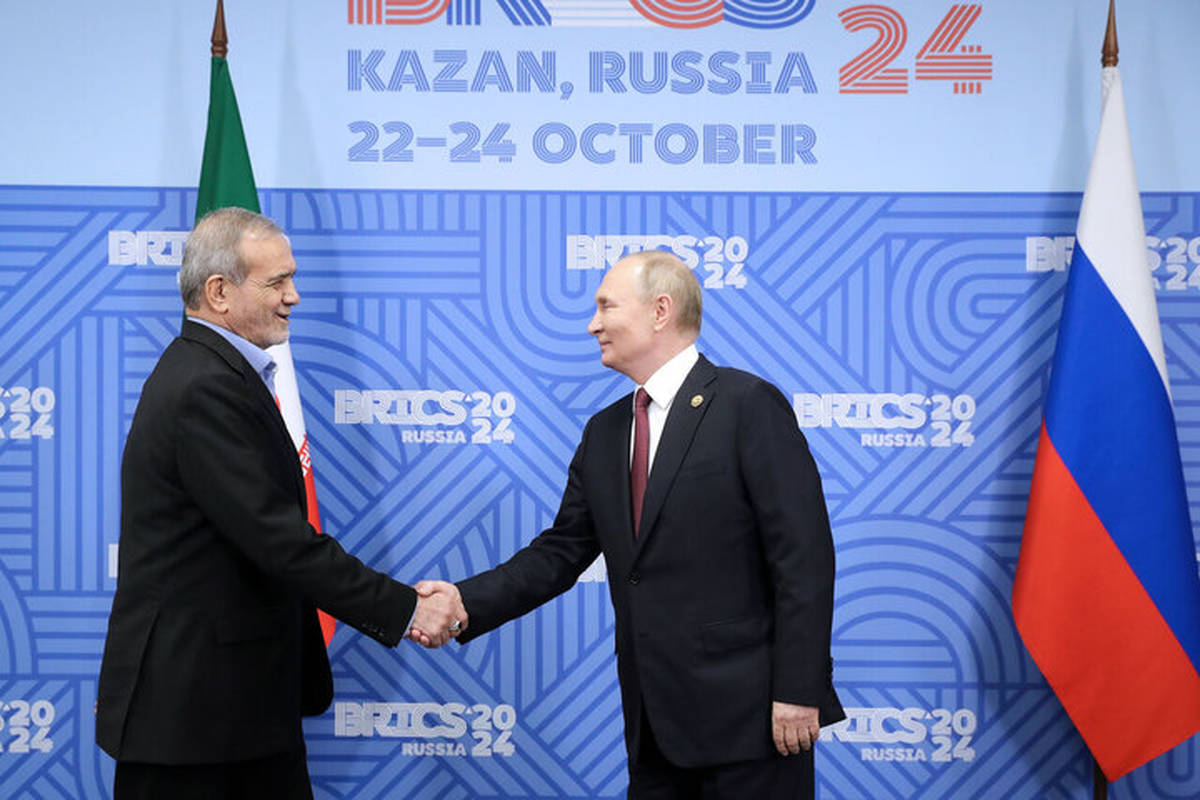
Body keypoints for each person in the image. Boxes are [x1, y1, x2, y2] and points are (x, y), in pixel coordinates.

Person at [413, 249, 843, 799]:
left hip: (753, 722)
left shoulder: (748, 405)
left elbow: (804, 559)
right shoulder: (606, 431)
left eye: (606, 306)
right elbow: (560, 552)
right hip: (653, 727)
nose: (592, 324)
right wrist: (463, 601)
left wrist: (799, 689)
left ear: (660, 311)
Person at [95, 207, 466, 800]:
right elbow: (282, 542)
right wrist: (406, 610)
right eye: (277, 282)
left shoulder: (216, 373)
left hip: (234, 710)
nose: (294, 296)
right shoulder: (205, 386)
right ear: (219, 292)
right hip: (196, 723)